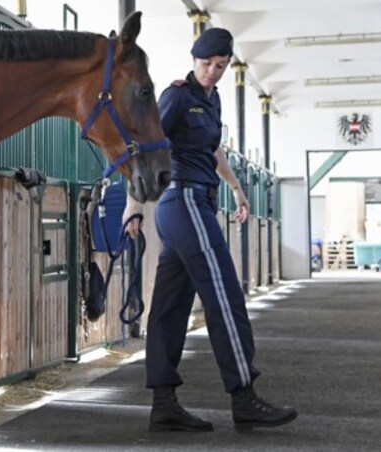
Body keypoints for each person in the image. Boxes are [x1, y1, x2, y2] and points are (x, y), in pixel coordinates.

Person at [122, 27, 298, 432]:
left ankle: (163, 404)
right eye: (207, 64)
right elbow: (146, 146)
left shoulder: (212, 98)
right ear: (194, 58)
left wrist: (237, 187)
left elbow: (213, 147)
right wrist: (133, 206)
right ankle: (243, 396)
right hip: (180, 199)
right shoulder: (177, 96)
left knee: (170, 305)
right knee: (224, 291)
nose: (213, 72)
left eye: (220, 66)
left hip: (199, 200)